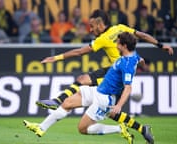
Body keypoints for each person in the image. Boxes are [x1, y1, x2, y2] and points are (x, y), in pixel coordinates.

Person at [36, 9, 173, 144]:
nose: (90, 30)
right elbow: (141, 35)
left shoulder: (103, 39)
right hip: (115, 70)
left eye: (92, 26)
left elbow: (79, 52)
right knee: (111, 112)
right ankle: (142, 129)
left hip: (116, 74)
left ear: (99, 24)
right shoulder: (120, 28)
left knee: (84, 82)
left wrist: (56, 58)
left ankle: (57, 100)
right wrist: (160, 45)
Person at [24, 32, 145, 144]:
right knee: (67, 102)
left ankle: (119, 129)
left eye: (118, 43)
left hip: (104, 98)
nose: (116, 45)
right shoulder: (134, 55)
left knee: (82, 129)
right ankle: (41, 128)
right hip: (98, 90)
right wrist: (141, 63)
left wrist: (119, 106)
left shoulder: (127, 64)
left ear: (124, 45)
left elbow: (128, 87)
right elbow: (141, 60)